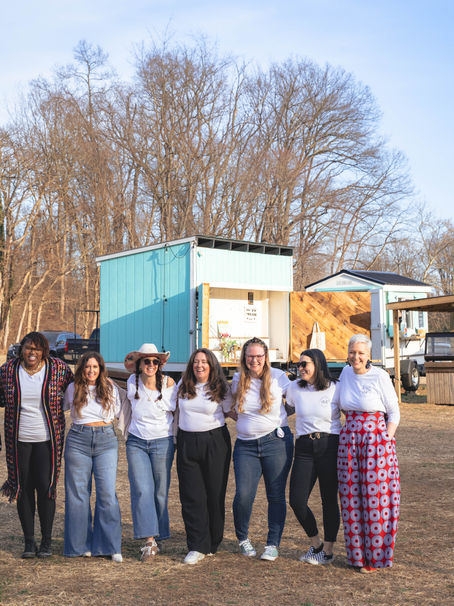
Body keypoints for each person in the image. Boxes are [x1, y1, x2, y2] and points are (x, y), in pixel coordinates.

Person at [0, 331, 73, 558]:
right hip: (18, 440)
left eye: (38, 349)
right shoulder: (8, 371)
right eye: (29, 348)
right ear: (22, 349)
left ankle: (47, 542)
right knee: (22, 488)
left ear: (44, 351)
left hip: (47, 441)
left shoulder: (58, 369)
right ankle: (29, 542)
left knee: (46, 487)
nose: (33, 353)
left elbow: (78, 389)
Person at [335, 334, 400, 573]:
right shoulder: (344, 373)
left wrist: (385, 439)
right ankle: (357, 557)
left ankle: (376, 558)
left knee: (376, 501)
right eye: (353, 352)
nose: (356, 357)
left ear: (369, 355)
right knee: (351, 499)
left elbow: (394, 412)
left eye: (361, 353)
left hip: (376, 443)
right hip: (349, 442)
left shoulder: (380, 376)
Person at [231, 337, 293, 562]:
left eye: (259, 356)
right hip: (245, 445)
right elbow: (229, 406)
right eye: (250, 356)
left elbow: (296, 399)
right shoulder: (237, 379)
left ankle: (272, 544)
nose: (254, 360)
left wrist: (280, 418)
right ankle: (242, 538)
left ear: (266, 357)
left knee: (275, 495)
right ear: (244, 358)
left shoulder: (278, 378)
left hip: (275, 443)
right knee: (243, 495)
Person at [63, 352, 123, 562]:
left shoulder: (109, 387)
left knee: (107, 493)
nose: (91, 370)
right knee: (78, 494)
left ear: (101, 369)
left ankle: (110, 546)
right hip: (78, 440)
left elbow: (117, 413)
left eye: (95, 367)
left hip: (106, 440)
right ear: (81, 369)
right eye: (87, 367)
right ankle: (80, 546)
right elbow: (62, 408)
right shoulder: (73, 388)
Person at [175, 348, 232, 565]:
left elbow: (232, 412)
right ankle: (197, 545)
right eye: (196, 362)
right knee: (191, 494)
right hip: (187, 441)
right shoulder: (182, 386)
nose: (199, 365)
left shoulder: (221, 387)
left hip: (215, 442)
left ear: (212, 365)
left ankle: (213, 540)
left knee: (214, 493)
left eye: (204, 362)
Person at [119, 343, 176, 562]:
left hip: (163, 441)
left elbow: (177, 410)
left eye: (155, 361)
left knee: (160, 491)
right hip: (137, 442)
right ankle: (149, 541)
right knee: (142, 489)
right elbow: (127, 362)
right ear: (139, 364)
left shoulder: (169, 383)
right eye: (146, 361)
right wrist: (134, 358)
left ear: (160, 364)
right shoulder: (132, 381)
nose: (151, 365)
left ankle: (159, 533)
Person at [287, 349, 341, 565]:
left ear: (317, 364)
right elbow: (284, 410)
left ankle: (327, 552)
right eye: (298, 365)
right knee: (296, 501)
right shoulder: (294, 388)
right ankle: (316, 544)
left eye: (304, 364)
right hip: (304, 447)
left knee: (329, 500)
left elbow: (351, 411)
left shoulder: (335, 388)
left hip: (330, 445)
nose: (300, 368)